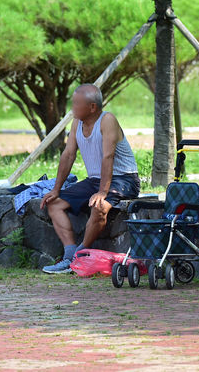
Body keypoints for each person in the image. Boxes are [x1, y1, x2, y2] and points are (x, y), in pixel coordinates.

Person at [40, 84, 140, 274]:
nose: (73, 108)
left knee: (99, 206)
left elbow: (107, 156)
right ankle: (69, 256)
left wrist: (103, 191)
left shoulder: (107, 120)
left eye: (76, 104)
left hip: (124, 179)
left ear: (92, 107)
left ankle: (79, 257)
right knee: (54, 203)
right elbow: (68, 155)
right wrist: (56, 189)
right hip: (95, 179)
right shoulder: (77, 122)